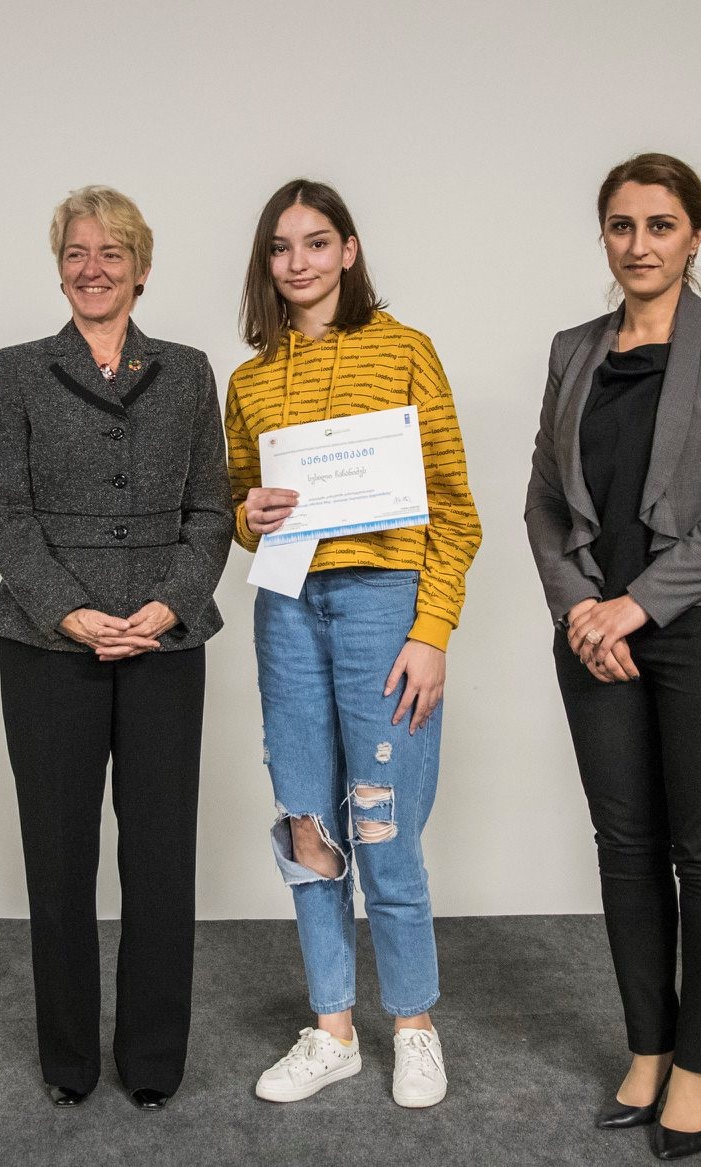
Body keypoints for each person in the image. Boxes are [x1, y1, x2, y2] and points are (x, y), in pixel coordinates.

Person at [524, 153, 701, 1159]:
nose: (640, 244)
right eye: (623, 225)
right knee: (625, 847)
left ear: (696, 236)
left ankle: (699, 1065)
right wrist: (583, 611)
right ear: (604, 234)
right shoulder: (573, 349)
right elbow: (544, 502)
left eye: (662, 225)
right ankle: (649, 1046)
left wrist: (636, 605)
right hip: (596, 637)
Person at [226, 179, 482, 1109]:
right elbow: (240, 509)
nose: (297, 261)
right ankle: (332, 1029)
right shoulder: (250, 380)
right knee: (309, 818)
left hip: (385, 605)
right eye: (280, 246)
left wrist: (432, 629)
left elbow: (454, 507)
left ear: (349, 250)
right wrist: (247, 514)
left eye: (315, 242)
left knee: (383, 822)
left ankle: (413, 1024)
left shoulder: (406, 351)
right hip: (288, 609)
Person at [0, 185, 231, 1112]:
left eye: (111, 253)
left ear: (141, 269)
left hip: (166, 640)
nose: (93, 268)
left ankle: (153, 1058)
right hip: (48, 645)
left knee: (160, 857)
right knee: (59, 855)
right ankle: (69, 1058)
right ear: (60, 269)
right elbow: (3, 508)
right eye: (77, 253)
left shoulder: (189, 371)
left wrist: (167, 606)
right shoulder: (18, 370)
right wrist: (71, 612)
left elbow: (213, 507)